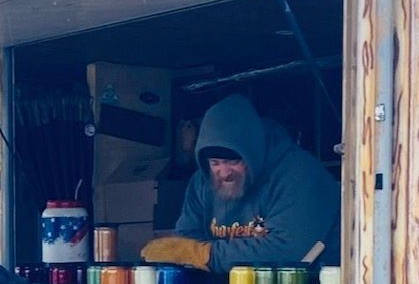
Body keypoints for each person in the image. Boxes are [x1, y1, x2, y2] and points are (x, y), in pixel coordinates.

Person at [142, 94, 339, 270]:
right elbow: (185, 242)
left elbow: (290, 250)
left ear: (251, 154)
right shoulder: (202, 183)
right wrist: (188, 252)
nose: (224, 172)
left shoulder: (301, 174)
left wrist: (204, 254)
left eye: (233, 161)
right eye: (215, 163)